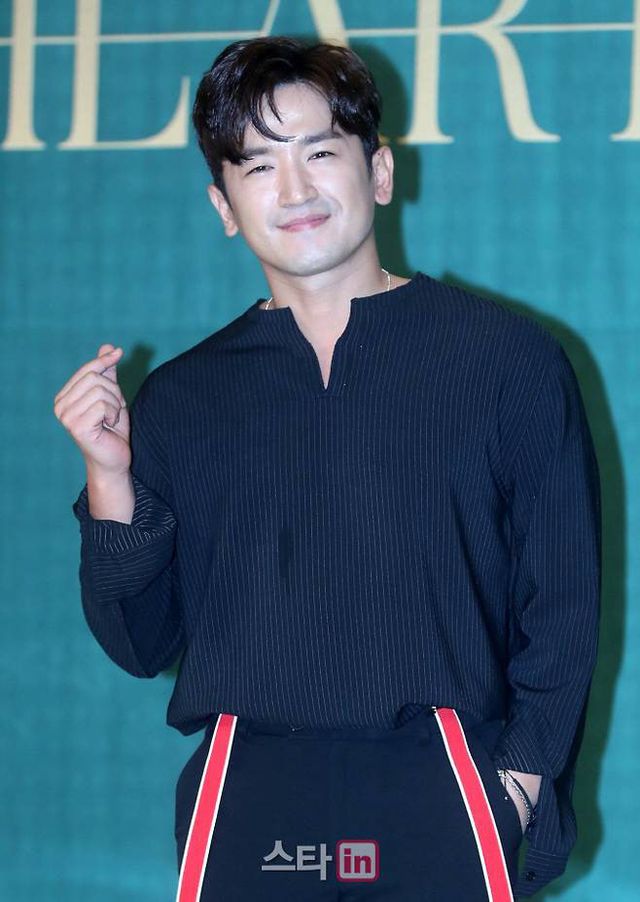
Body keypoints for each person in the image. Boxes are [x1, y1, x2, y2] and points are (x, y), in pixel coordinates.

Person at [53, 36, 601, 902]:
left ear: (378, 172)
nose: (295, 189)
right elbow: (139, 643)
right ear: (223, 204)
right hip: (252, 795)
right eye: (258, 165)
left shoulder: (505, 360)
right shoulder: (183, 399)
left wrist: (523, 780)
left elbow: (563, 597)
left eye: (319, 153)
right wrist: (109, 476)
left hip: (445, 783)